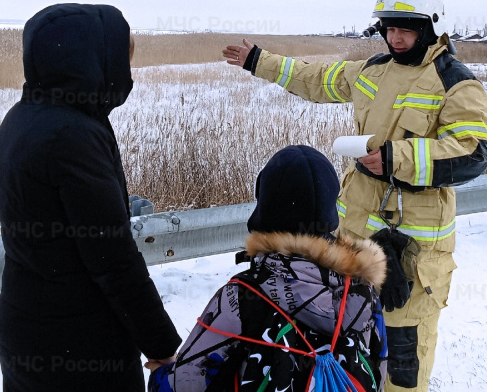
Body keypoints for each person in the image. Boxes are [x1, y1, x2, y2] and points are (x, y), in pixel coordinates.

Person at [222, 0, 487, 391]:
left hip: (413, 255)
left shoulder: (456, 82)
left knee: (403, 363)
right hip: (354, 242)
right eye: (389, 27)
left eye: (406, 28)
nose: (395, 37)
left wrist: (394, 158)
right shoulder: (373, 71)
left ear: (430, 28)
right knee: (352, 347)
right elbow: (316, 79)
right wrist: (258, 60)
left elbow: (473, 152)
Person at [0, 3, 181, 391]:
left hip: (25, 324)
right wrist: (162, 344)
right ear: (94, 61)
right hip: (77, 344)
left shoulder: (22, 117)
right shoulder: (73, 136)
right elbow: (111, 257)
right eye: (121, 58)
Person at [148, 145, 388, 392]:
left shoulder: (241, 295)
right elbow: (378, 373)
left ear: (266, 209)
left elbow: (186, 383)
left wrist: (159, 375)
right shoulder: (361, 289)